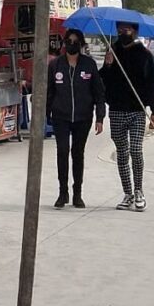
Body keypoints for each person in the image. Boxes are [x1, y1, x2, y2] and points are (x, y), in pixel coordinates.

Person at [100, 22, 154, 212]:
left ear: (134, 31)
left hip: (137, 110)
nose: (121, 32)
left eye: (125, 29)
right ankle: (128, 193)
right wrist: (108, 65)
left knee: (135, 149)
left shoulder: (144, 54)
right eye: (119, 30)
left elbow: (152, 83)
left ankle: (139, 190)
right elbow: (103, 80)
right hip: (116, 109)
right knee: (122, 152)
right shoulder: (113, 51)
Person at [46, 29, 106, 209]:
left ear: (81, 44)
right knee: (62, 151)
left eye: (75, 41)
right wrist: (46, 114)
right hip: (61, 116)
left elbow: (98, 92)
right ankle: (62, 192)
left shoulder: (89, 64)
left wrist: (100, 117)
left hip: (83, 117)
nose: (72, 44)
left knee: (77, 153)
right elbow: (49, 91)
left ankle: (77, 193)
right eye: (69, 41)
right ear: (64, 43)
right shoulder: (55, 65)